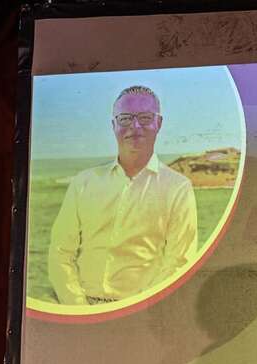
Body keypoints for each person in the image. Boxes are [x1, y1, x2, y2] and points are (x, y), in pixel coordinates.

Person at [48, 85, 198, 305]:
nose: (135, 127)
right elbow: (60, 251)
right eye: (125, 118)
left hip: (140, 312)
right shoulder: (84, 182)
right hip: (81, 309)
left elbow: (179, 263)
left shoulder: (178, 188)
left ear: (158, 123)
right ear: (114, 125)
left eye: (145, 118)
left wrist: (136, 312)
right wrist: (79, 308)